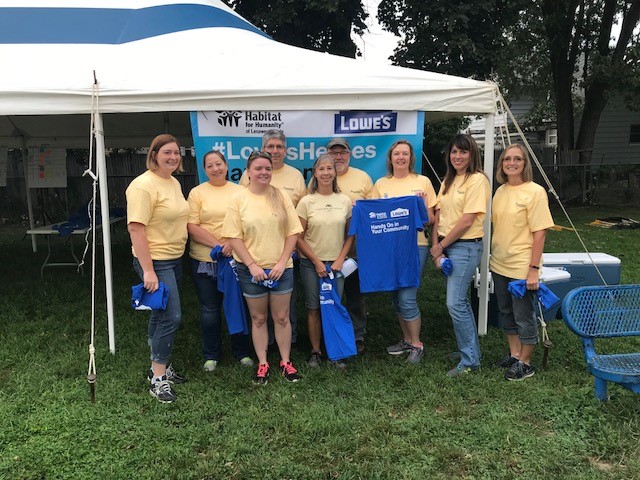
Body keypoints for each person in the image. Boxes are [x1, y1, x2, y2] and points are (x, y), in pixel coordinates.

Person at [222, 150, 304, 385]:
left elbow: (293, 232)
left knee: (281, 317)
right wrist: (252, 265)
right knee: (258, 318)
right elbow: (234, 237)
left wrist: (281, 262)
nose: (264, 172)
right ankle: (263, 363)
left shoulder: (280, 197)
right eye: (258, 168)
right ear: (248, 172)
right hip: (250, 271)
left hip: (282, 269)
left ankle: (286, 362)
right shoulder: (239, 199)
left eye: (267, 168)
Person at [126, 134, 190, 403]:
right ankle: (158, 379)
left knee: (159, 313)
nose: (173, 157)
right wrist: (148, 270)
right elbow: (136, 228)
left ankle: (157, 366)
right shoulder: (143, 186)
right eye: (167, 152)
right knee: (171, 317)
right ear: (154, 155)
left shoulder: (173, 182)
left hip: (174, 259)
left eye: (176, 152)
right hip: (156, 261)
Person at [490, 144, 554, 381]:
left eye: (517, 159)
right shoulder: (500, 191)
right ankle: (515, 353)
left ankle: (526, 362)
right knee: (505, 311)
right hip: (499, 263)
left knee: (523, 314)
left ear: (525, 164)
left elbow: (540, 232)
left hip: (521, 265)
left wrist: (533, 270)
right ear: (501, 164)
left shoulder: (535, 191)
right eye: (507, 159)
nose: (512, 163)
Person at [187, 150, 254, 372]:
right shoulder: (197, 193)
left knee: (239, 306)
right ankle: (212, 354)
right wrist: (218, 245)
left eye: (219, 164)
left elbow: (247, 222)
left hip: (236, 260)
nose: (215, 169)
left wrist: (231, 244)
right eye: (210, 166)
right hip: (204, 260)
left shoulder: (241, 192)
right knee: (209, 308)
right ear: (204, 169)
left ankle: (242, 351)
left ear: (226, 166)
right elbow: (192, 226)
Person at [430, 134, 490, 378]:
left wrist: (442, 244)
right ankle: (469, 350)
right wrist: (437, 247)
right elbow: (437, 215)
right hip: (447, 246)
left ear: (472, 154)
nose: (458, 156)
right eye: (454, 152)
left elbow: (467, 220)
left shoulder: (477, 180)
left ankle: (470, 361)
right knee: (460, 302)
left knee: (455, 303)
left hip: (465, 247)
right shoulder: (448, 180)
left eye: (463, 152)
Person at [240, 129, 306, 345]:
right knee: (259, 308)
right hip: (256, 250)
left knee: (286, 303)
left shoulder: (296, 175)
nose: (275, 150)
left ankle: (289, 341)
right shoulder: (246, 177)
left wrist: (294, 245)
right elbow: (243, 208)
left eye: (279, 147)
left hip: (287, 250)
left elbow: (302, 212)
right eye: (270, 147)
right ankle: (265, 344)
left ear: (285, 151)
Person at [373, 140, 436, 365]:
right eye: (397, 154)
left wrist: (421, 203)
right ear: (390, 158)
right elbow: (374, 217)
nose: (401, 157)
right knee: (396, 296)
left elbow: (430, 219)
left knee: (407, 297)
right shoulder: (380, 184)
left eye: (405, 154)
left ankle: (417, 344)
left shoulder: (422, 182)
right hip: (390, 247)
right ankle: (407, 339)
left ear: (411, 158)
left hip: (415, 246)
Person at [296, 153, 353, 369]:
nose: (326, 172)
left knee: (334, 306)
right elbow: (297, 238)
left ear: (335, 172)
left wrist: (339, 259)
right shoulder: (306, 202)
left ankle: (336, 352)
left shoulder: (345, 200)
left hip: (337, 266)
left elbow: (350, 235)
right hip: (312, 264)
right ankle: (316, 351)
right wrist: (317, 262)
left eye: (330, 168)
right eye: (322, 169)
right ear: (315, 173)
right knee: (314, 308)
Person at [327, 138, 373, 355]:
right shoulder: (321, 176)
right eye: (334, 153)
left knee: (355, 294)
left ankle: (357, 335)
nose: (338, 157)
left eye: (342, 152)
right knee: (329, 296)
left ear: (349, 154)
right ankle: (332, 335)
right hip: (327, 248)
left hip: (356, 249)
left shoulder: (363, 178)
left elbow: (373, 212)